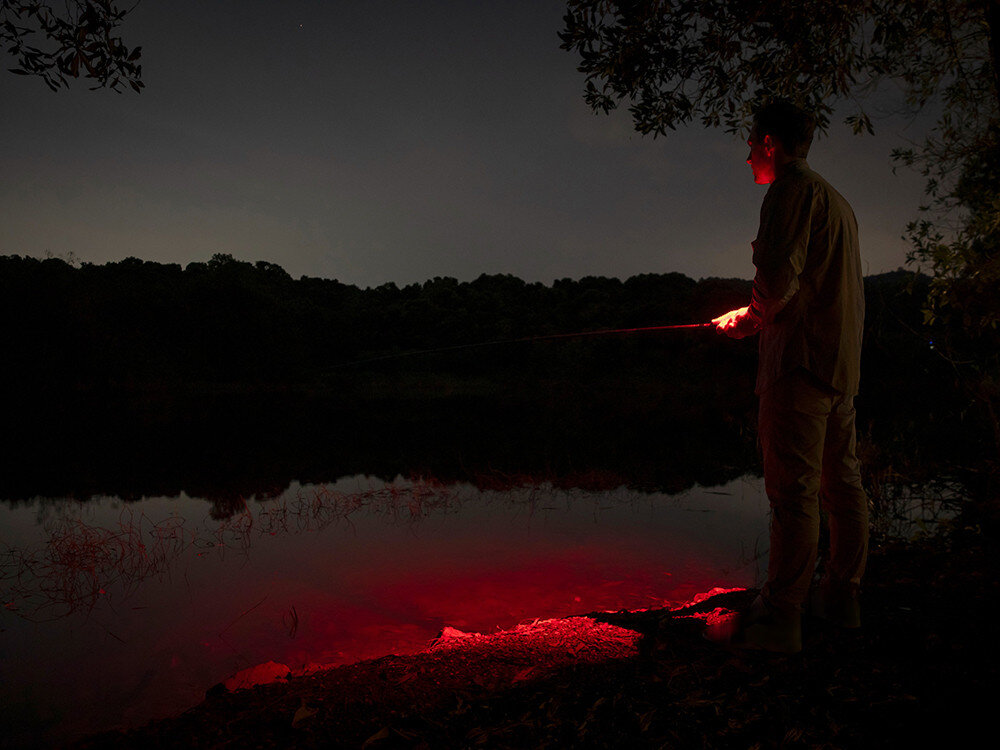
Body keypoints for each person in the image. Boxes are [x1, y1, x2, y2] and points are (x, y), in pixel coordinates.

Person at [708, 99, 870, 654]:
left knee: (793, 494)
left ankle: (781, 619)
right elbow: (811, 283)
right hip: (839, 367)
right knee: (843, 486)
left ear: (768, 141)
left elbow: (777, 277)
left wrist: (749, 319)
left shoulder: (790, 191)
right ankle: (841, 598)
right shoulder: (839, 202)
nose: (747, 156)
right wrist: (757, 311)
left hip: (799, 364)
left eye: (750, 143)